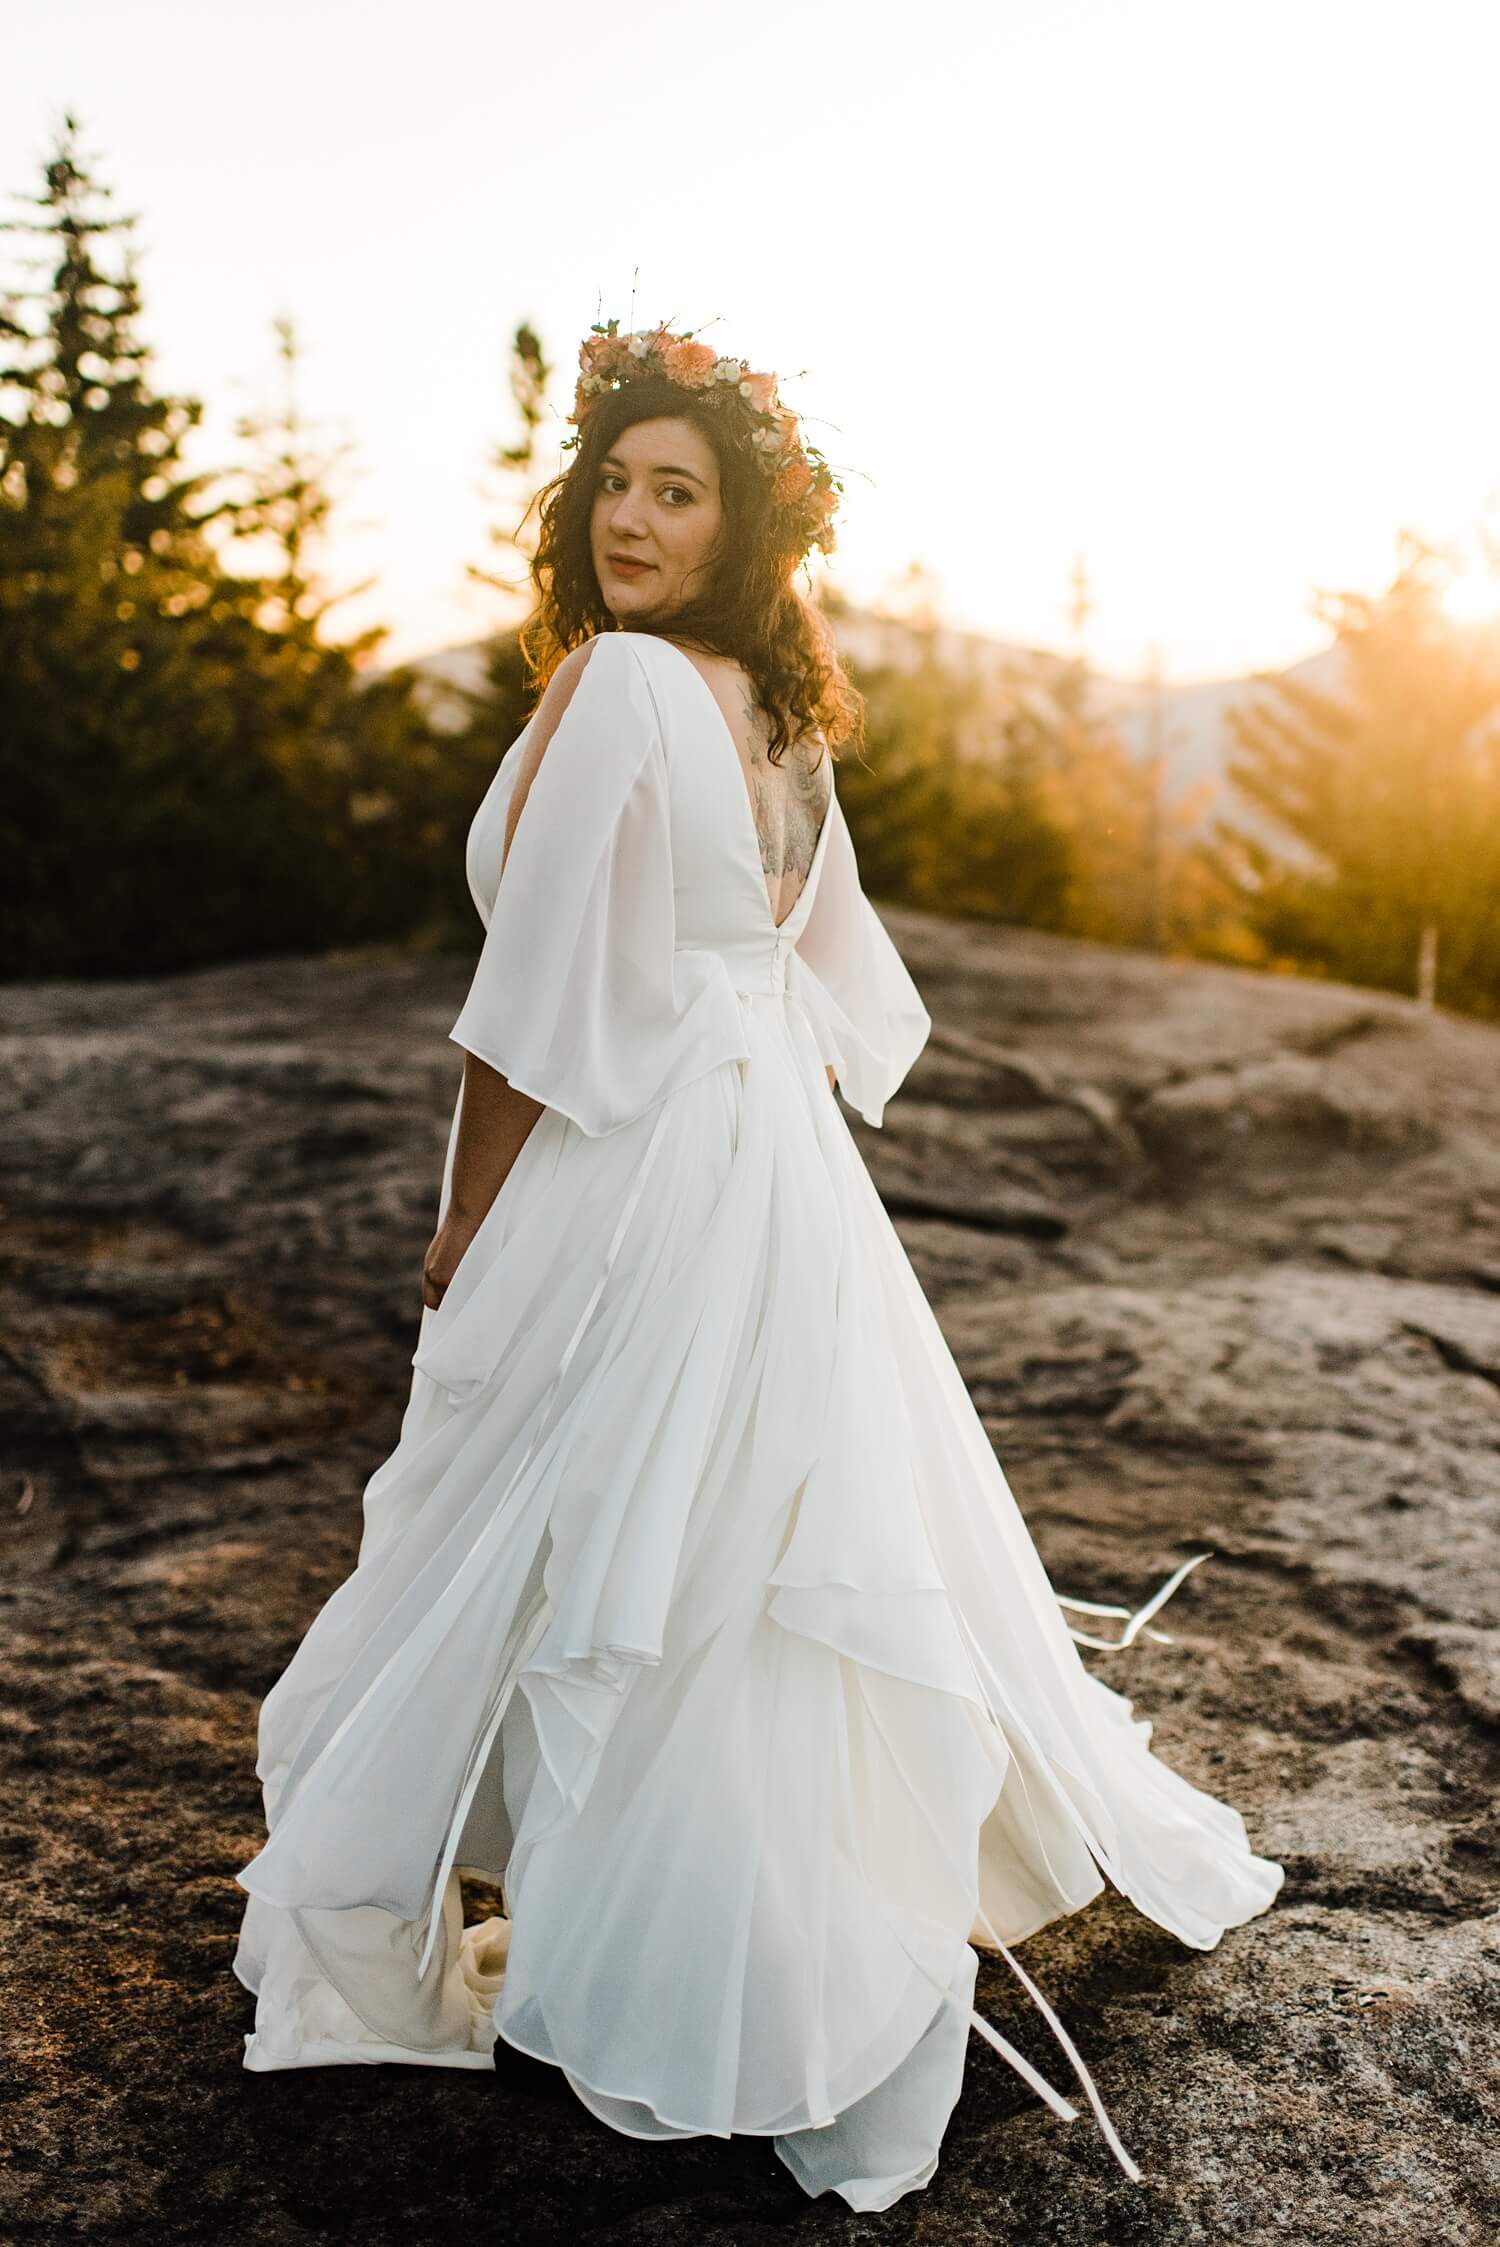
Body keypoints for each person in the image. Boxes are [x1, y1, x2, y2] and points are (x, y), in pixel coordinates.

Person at [232, 318, 1284, 2213]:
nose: (631, 518)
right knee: (737, 1530)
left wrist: (465, 1214)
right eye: (615, 483)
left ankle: (652, 1936)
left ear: (741, 527)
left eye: (677, 491)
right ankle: (728, 1910)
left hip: (643, 1151)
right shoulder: (779, 703)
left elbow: (531, 996)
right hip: (768, 1153)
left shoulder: (627, 681)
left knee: (622, 1522)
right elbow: (814, 968)